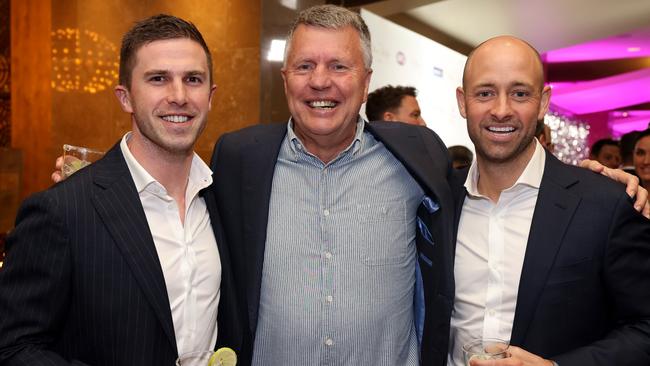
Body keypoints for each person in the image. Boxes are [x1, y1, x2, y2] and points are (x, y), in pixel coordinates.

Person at [210, 5, 456, 365]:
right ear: (285, 78)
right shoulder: (238, 159)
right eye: (304, 66)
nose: (320, 81)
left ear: (366, 81)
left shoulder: (420, 156)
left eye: (339, 66)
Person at [0, 15, 240, 365]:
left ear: (211, 96)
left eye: (193, 79)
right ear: (125, 97)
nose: (179, 96)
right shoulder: (64, 210)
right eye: (158, 79)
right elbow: (13, 347)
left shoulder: (222, 198)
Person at [444, 35, 650, 366]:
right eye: (485, 93)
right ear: (462, 101)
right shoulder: (438, 199)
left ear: (542, 103)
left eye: (520, 93)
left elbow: (644, 329)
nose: (501, 110)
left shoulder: (605, 204)